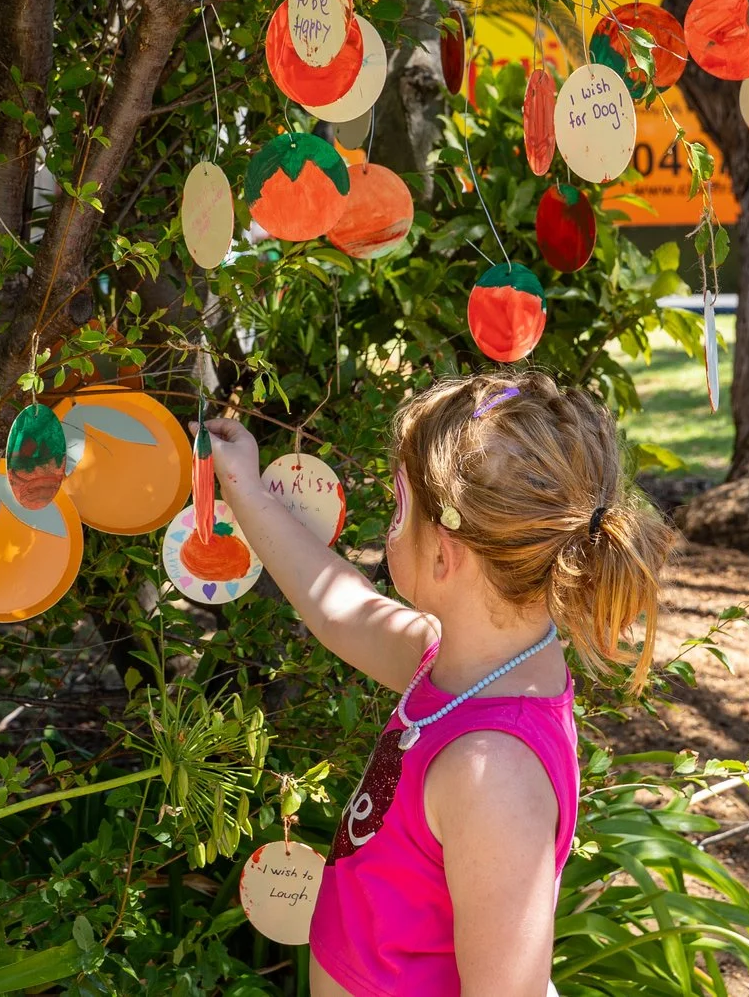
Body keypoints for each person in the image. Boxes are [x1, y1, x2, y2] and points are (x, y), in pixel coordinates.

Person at [206, 371, 676, 997]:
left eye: (400, 507)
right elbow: (338, 607)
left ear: (443, 555)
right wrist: (244, 490)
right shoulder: (466, 665)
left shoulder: (493, 773)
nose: (389, 524)